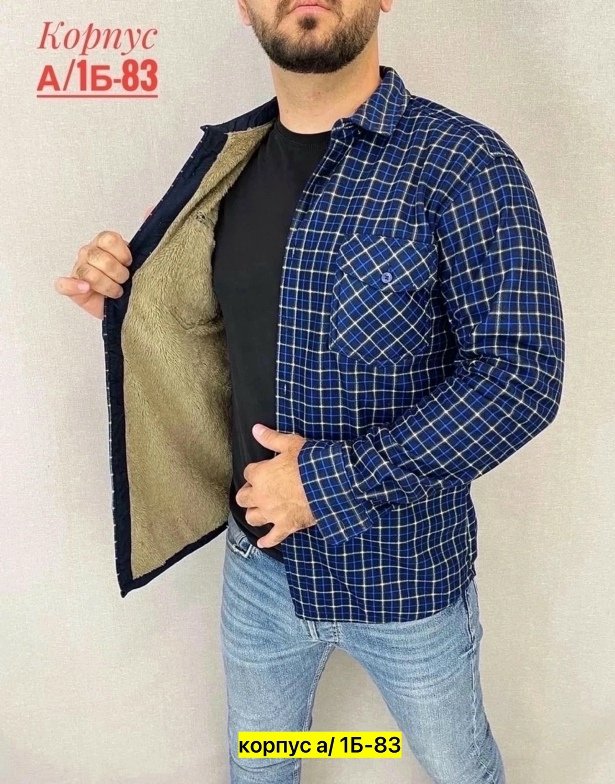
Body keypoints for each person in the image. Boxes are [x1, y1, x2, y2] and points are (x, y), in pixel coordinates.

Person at [54, 1, 565, 781]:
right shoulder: (226, 170)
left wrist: (323, 485)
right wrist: (132, 308)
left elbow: (521, 374)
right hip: (259, 567)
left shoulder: (466, 164)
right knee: (262, 767)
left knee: (461, 770)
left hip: (407, 578)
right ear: (244, 6)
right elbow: (222, 337)